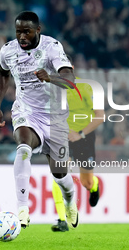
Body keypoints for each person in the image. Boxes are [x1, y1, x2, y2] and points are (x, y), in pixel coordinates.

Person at [0, 11, 79, 229]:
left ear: (37, 30)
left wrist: (51, 77)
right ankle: (22, 208)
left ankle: (70, 201)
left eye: (27, 32)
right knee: (23, 147)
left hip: (55, 117)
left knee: (60, 174)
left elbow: (71, 81)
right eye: (18, 31)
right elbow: (3, 74)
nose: (22, 36)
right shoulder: (8, 51)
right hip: (26, 111)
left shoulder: (52, 47)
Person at [51, 66, 105, 231]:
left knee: (85, 181)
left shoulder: (88, 87)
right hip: (63, 136)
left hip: (85, 137)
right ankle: (61, 219)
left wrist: (80, 133)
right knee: (59, 172)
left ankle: (93, 186)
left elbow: (100, 116)